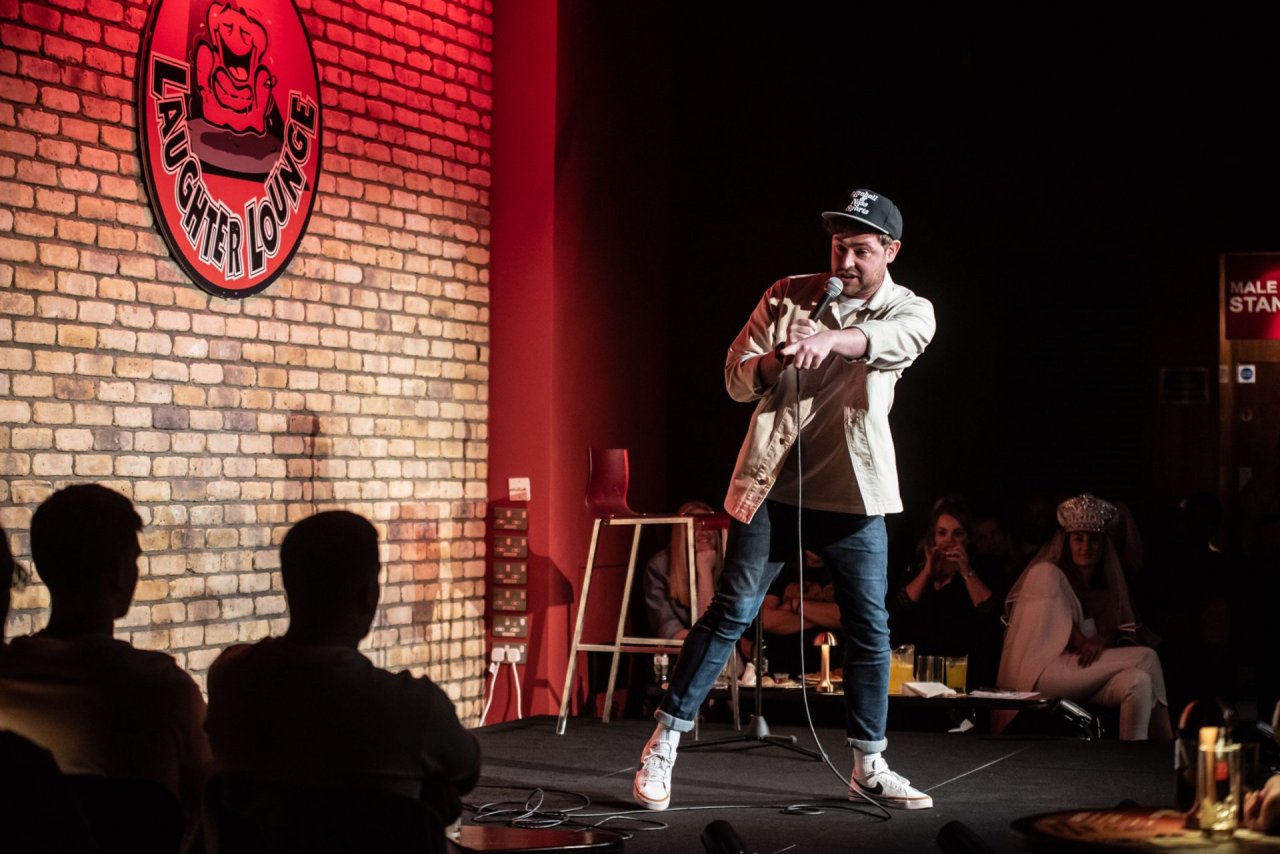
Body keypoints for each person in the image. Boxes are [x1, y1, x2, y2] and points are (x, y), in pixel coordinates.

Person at [632, 188, 936, 811]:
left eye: (859, 250)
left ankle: (869, 764)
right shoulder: (786, 294)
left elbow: (894, 341)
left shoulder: (912, 307)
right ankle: (663, 744)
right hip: (774, 490)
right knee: (732, 611)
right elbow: (734, 376)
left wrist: (833, 341)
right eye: (837, 248)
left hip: (854, 497)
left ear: (891, 251)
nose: (844, 263)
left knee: (869, 627)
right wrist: (776, 358)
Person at [205, 510, 480, 833]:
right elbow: (466, 770)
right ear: (369, 594)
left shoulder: (230, 678)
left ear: (290, 588)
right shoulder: (414, 707)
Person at [0, 484, 212, 829]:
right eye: (134, 559)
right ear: (117, 570)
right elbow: (209, 796)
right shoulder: (164, 691)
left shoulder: (7, 674)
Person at [997, 494, 1173, 741]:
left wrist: (1099, 640)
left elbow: (1104, 650)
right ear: (1066, 543)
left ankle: (1132, 760)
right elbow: (1065, 631)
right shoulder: (1047, 573)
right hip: (1041, 673)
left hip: (1079, 675)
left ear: (1103, 546)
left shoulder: (1107, 592)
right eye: (1078, 539)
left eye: (1093, 541)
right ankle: (1168, 747)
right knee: (1147, 657)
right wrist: (1084, 641)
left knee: (1139, 681)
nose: (1085, 546)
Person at [889, 498, 1005, 690]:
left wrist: (966, 571)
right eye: (942, 533)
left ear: (967, 538)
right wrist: (926, 572)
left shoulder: (983, 569)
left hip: (964, 676)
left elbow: (991, 614)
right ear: (932, 537)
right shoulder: (916, 571)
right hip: (919, 676)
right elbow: (896, 611)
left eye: (957, 534)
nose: (948, 541)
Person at [642, 501, 725, 641]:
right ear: (681, 533)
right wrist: (703, 570)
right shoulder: (659, 567)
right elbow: (671, 630)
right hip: (682, 652)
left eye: (708, 525)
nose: (703, 532)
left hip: (718, 647)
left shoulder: (727, 565)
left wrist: (705, 571)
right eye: (695, 526)